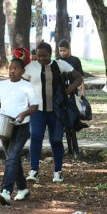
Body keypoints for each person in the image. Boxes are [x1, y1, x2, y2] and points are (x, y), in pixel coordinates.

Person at [24, 41, 82, 183]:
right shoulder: (30, 68)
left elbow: (79, 77)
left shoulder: (60, 64)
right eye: (39, 56)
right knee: (36, 136)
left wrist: (69, 90)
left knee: (56, 140)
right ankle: (34, 170)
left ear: (50, 54)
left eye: (44, 56)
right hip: (37, 111)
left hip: (56, 111)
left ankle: (58, 171)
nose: (42, 59)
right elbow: (21, 84)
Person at [0, 58, 38, 205]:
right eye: (10, 68)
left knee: (12, 157)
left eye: (16, 68)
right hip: (5, 126)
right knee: (13, 158)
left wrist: (23, 115)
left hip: (21, 127)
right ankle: (23, 189)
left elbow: (34, 106)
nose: (12, 71)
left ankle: (6, 191)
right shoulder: (2, 85)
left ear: (22, 71)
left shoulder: (27, 86)